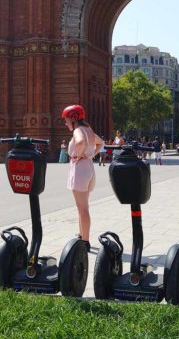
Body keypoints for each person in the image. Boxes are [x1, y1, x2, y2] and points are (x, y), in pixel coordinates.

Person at [63, 104, 104, 251]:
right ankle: (82, 235)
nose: (65, 122)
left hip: (80, 168)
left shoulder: (78, 130)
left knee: (83, 208)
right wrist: (90, 154)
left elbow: (81, 142)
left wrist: (79, 155)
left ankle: (85, 241)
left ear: (73, 119)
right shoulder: (88, 129)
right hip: (88, 167)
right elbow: (101, 142)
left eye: (67, 119)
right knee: (83, 206)